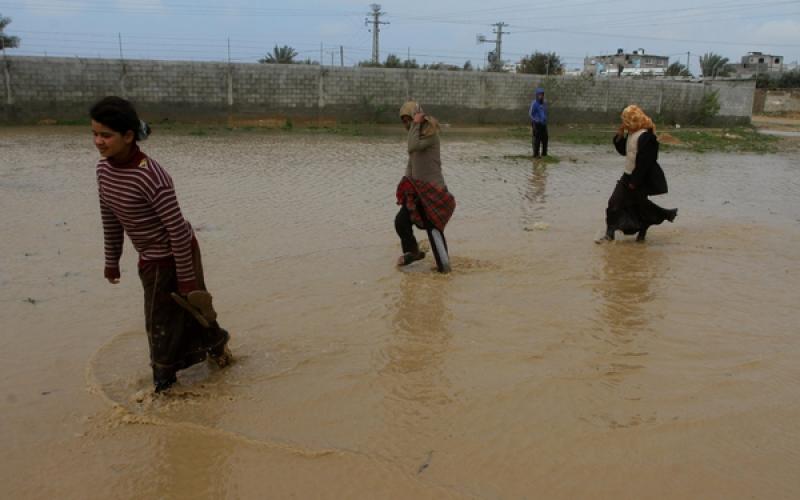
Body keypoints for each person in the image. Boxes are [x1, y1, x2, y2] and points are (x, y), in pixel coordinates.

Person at [91, 96, 232, 393]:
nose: (99, 142)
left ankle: (164, 390)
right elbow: (110, 217)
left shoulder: (152, 176)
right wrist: (111, 260)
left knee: (161, 325)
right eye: (94, 134)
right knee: (186, 316)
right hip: (150, 258)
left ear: (128, 136)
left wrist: (186, 280)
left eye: (106, 135)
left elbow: (177, 231)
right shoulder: (104, 171)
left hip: (174, 256)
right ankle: (220, 351)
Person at [597, 104, 678, 243]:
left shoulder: (647, 138)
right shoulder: (631, 134)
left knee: (640, 207)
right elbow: (624, 151)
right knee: (614, 203)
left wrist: (634, 182)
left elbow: (645, 163)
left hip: (641, 179)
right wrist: (619, 135)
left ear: (632, 120)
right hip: (627, 176)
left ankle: (642, 234)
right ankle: (609, 234)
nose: (623, 122)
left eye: (625, 120)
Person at [395, 101, 455, 268]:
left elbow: (412, 146)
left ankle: (444, 268)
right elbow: (412, 160)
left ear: (417, 116)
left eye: (409, 120)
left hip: (433, 191)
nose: (407, 124)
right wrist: (405, 182)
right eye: (404, 121)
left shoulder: (430, 132)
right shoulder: (414, 133)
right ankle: (414, 252)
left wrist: (415, 123)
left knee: (433, 230)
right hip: (417, 191)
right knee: (401, 221)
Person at [529, 87, 548, 158]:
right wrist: (535, 120)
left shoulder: (545, 103)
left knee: (545, 139)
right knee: (537, 139)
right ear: (536, 95)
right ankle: (536, 154)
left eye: (542, 95)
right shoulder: (534, 103)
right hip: (536, 124)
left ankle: (544, 154)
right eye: (539, 95)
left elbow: (545, 112)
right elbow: (530, 114)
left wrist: (545, 119)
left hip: (543, 124)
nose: (541, 96)